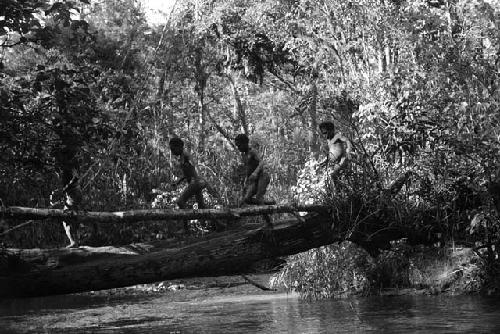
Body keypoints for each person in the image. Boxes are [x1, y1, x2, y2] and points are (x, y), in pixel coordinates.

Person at [169, 137, 221, 231]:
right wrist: (178, 182)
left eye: (173, 149)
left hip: (196, 182)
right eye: (171, 149)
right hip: (196, 182)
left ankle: (186, 229)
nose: (172, 152)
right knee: (202, 207)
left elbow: (194, 166)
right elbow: (188, 172)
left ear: (180, 146)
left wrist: (197, 179)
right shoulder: (182, 156)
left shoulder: (185, 154)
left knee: (180, 202)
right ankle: (219, 224)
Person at [234, 134, 272, 205]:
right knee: (247, 199)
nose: (238, 148)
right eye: (237, 146)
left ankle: (264, 208)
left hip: (263, 175)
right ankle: (268, 204)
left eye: (239, 145)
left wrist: (255, 173)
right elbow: (248, 170)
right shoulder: (244, 156)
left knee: (259, 197)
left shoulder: (252, 151)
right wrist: (246, 183)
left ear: (245, 143)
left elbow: (262, 162)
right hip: (255, 179)